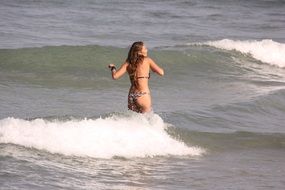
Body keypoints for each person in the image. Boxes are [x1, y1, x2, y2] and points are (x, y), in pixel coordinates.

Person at [108, 41, 164, 113]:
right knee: (146, 121)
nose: (147, 50)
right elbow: (161, 73)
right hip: (143, 95)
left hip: (132, 95)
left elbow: (115, 76)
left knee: (134, 120)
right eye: (145, 48)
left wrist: (113, 68)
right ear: (139, 52)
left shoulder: (128, 62)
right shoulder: (147, 60)